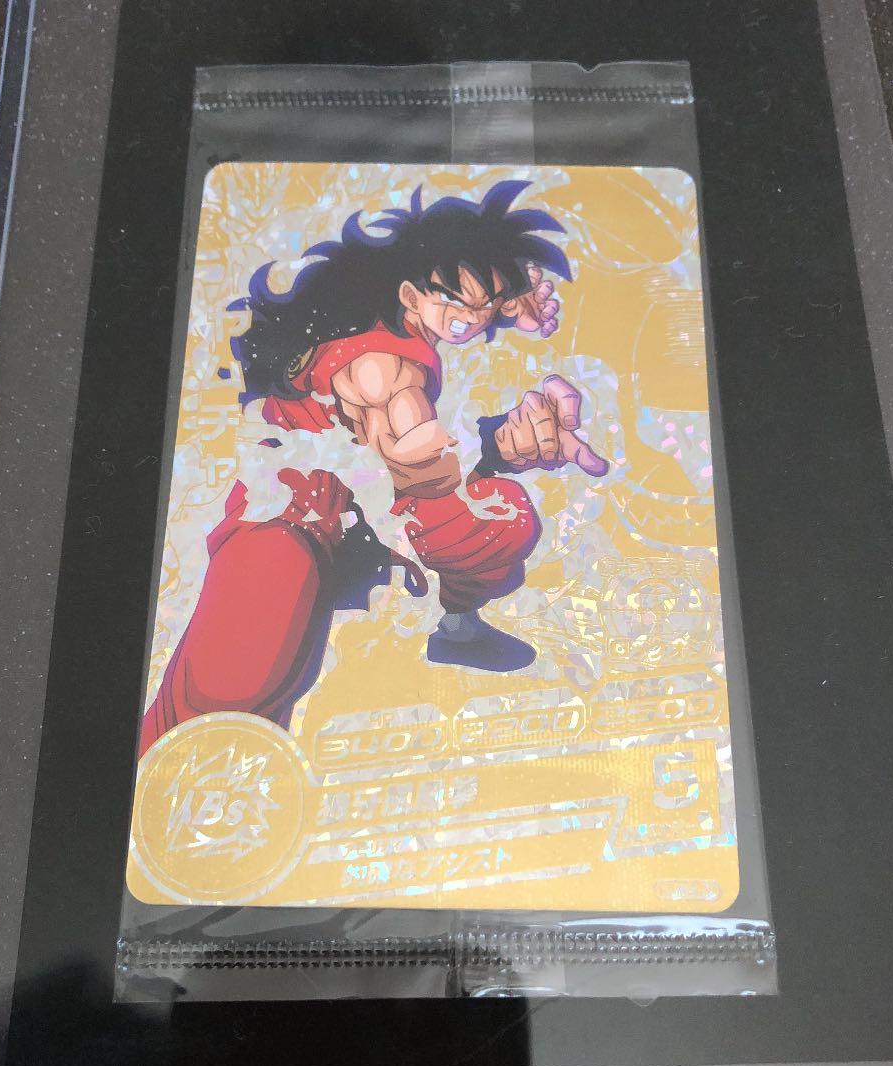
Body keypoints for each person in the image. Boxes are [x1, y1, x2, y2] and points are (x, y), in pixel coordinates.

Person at [140, 180, 608, 757]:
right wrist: (497, 460)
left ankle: (456, 628)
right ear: (410, 294)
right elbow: (415, 480)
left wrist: (499, 442)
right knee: (229, 687)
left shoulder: (402, 333)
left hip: (354, 505)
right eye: (456, 303)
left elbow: (391, 461)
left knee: (500, 517)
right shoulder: (384, 371)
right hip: (290, 510)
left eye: (485, 306)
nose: (469, 320)